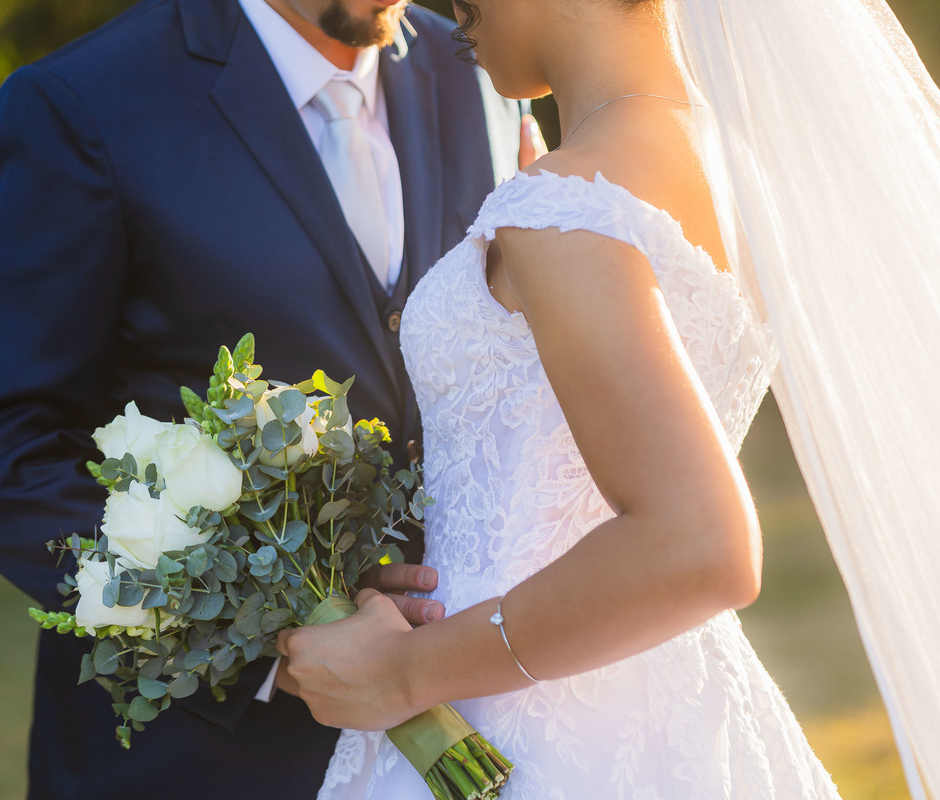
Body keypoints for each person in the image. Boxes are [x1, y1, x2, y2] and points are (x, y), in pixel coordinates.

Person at [278, 0, 940, 795]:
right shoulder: (735, 176)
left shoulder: (566, 204)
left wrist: (405, 671)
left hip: (531, 733)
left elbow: (699, 542)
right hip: (671, 705)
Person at [0, 0, 537, 795]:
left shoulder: (478, 70)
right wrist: (270, 635)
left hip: (470, 708)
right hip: (196, 761)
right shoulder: (82, 105)